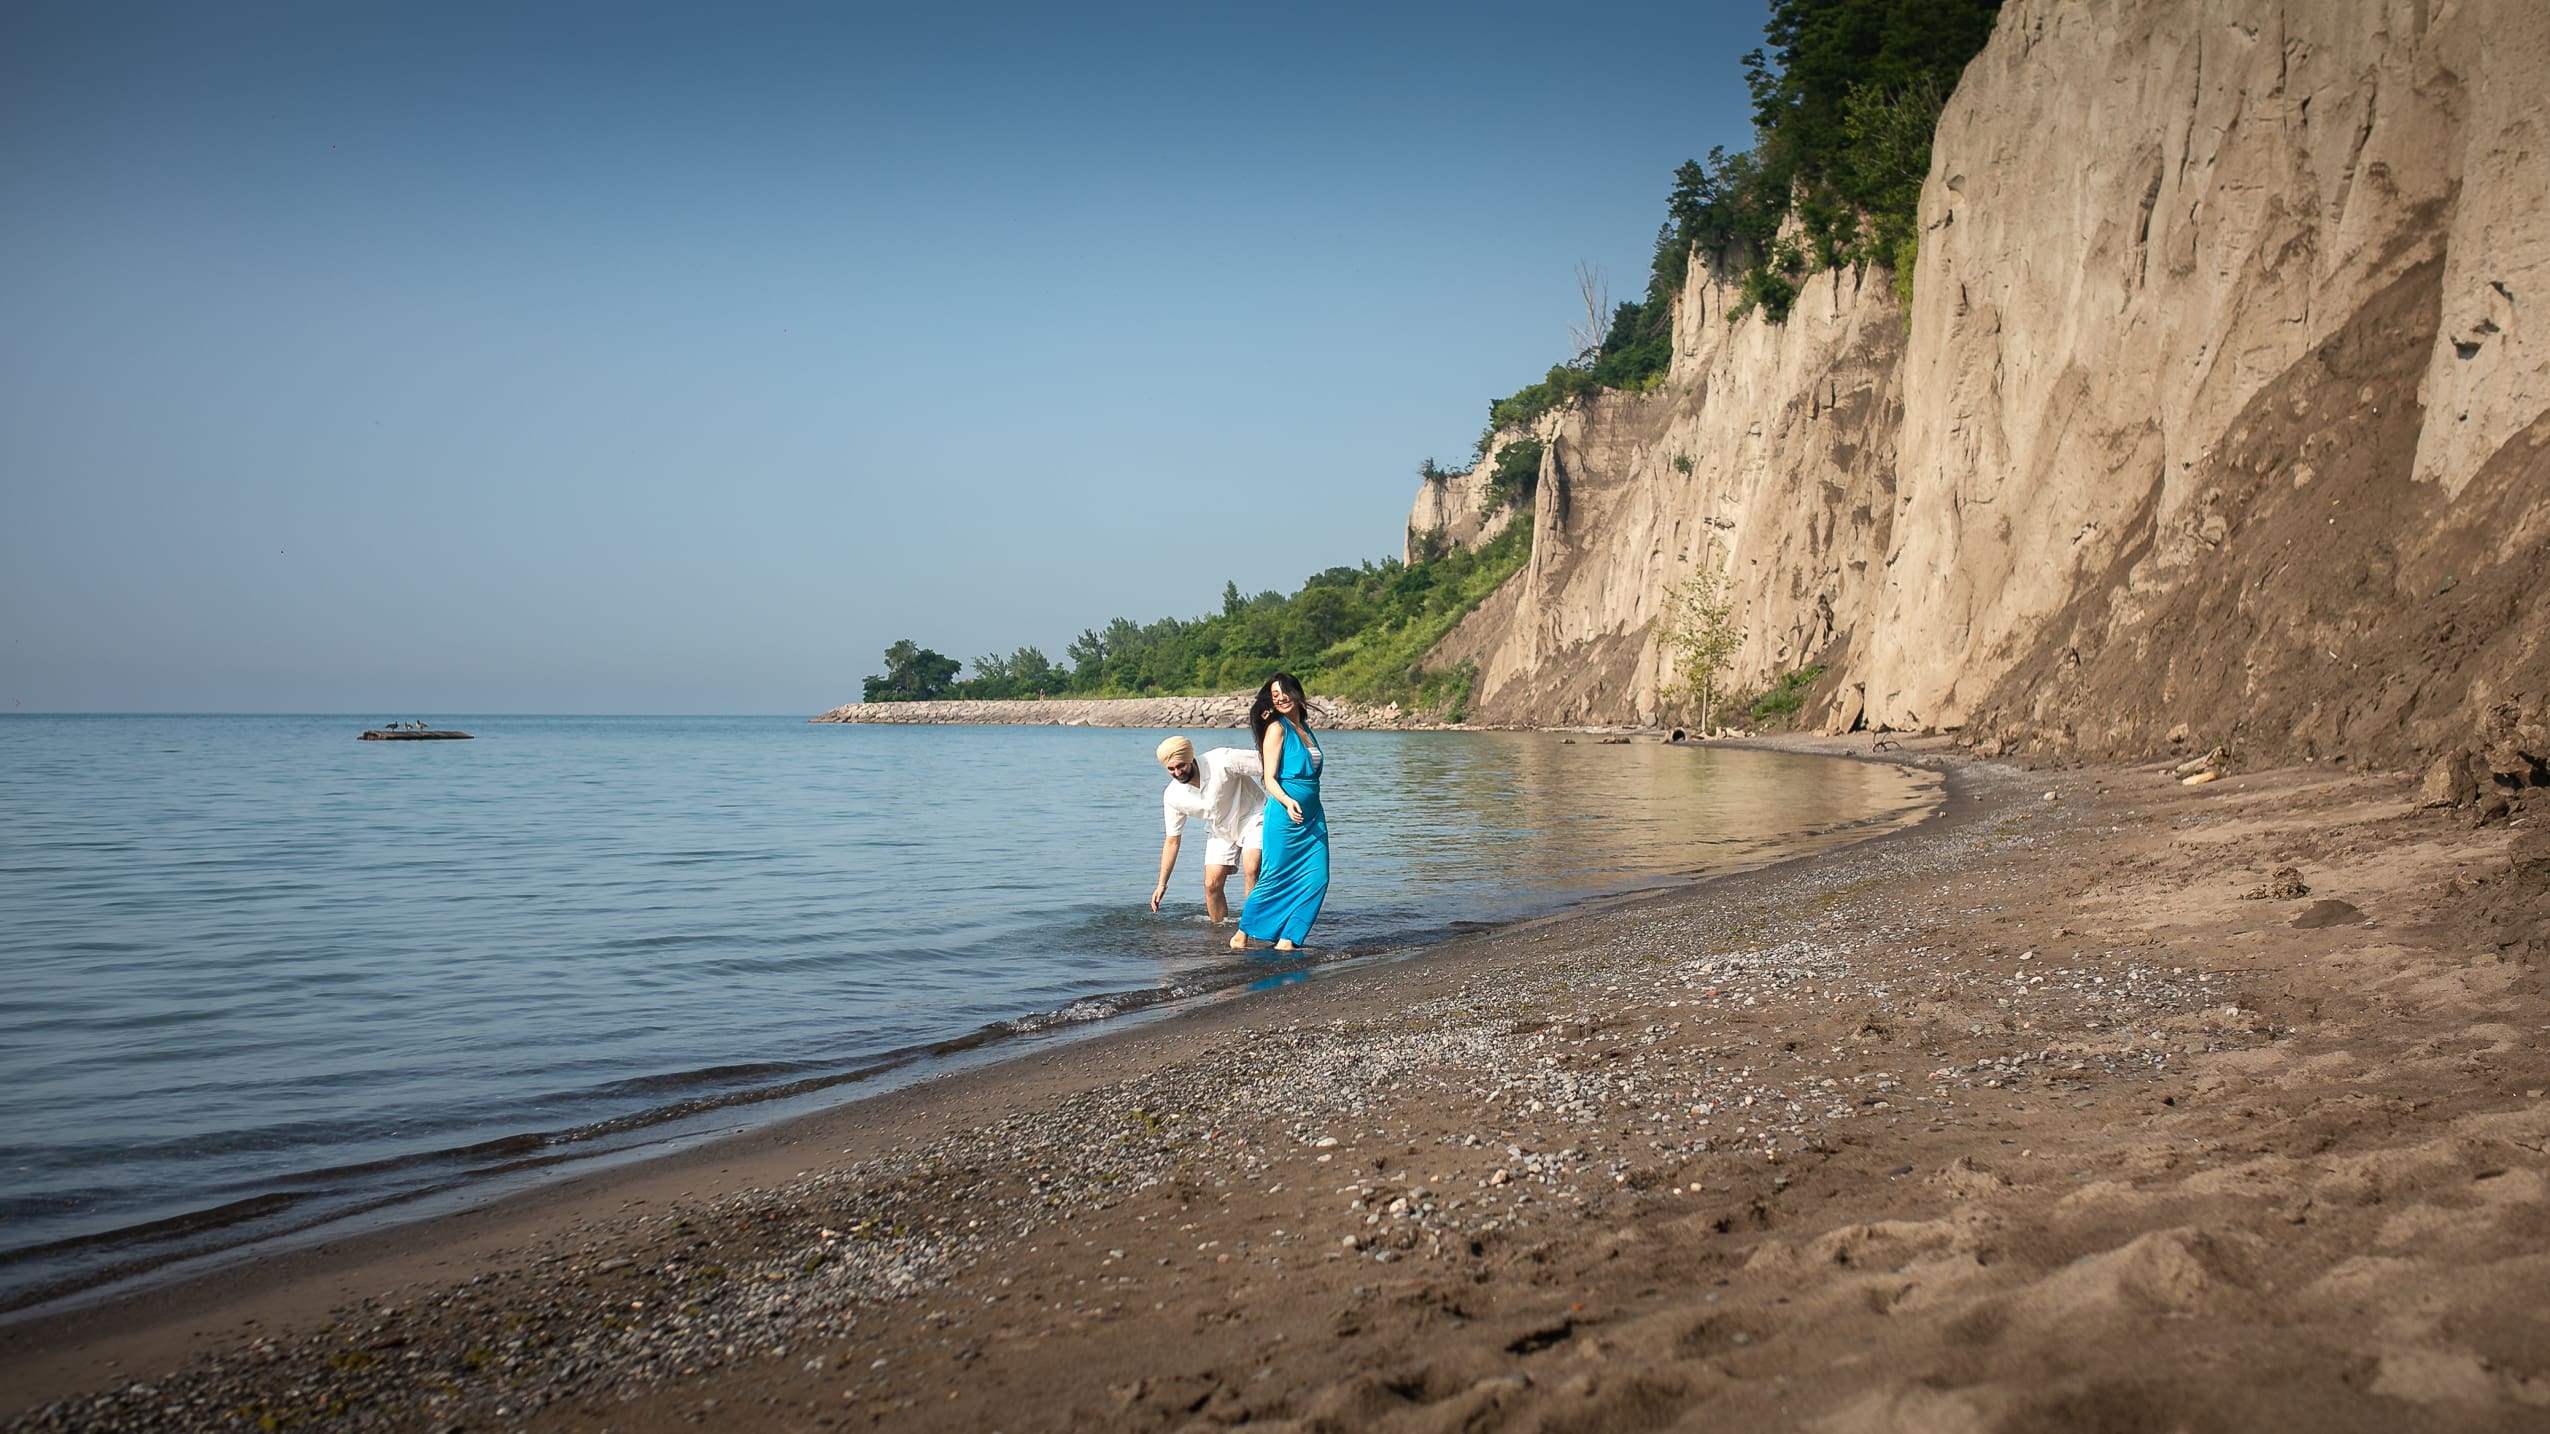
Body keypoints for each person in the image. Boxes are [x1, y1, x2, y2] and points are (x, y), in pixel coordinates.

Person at [1233, 672, 1328, 952]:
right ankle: (1242, 933)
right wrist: (1287, 801)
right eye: (1275, 696)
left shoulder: (1306, 729)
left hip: (1312, 817)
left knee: (1318, 877)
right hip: (1285, 816)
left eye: (1285, 692)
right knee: (1275, 876)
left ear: (1297, 693)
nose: (1282, 698)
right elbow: (1269, 779)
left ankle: (1288, 938)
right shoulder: (1277, 729)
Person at [1150, 736, 1266, 922]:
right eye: (1171, 769)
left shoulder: (1222, 760)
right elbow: (1172, 840)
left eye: (1181, 766)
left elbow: (1269, 763)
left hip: (1253, 817)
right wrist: (1162, 884)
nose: (1177, 772)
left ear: (1190, 758)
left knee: (1251, 867)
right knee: (1211, 884)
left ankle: (1253, 926)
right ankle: (1218, 932)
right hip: (1220, 830)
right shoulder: (1172, 795)